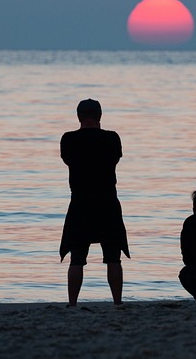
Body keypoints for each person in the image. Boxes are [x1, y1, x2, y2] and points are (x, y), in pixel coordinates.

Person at [59, 98, 130, 306]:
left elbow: (67, 159)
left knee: (77, 259)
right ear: (99, 116)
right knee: (113, 258)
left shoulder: (69, 140)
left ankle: (73, 304)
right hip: (107, 202)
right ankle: (117, 302)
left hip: (80, 203)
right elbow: (116, 157)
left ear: (79, 117)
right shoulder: (112, 138)